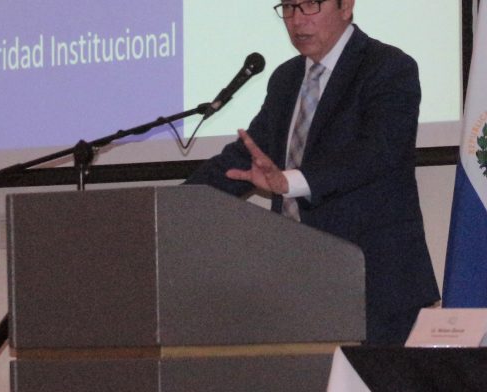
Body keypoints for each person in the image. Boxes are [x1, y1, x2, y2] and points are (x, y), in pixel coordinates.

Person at [185, 0, 440, 345]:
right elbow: (248, 156)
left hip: (374, 281)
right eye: (289, 8)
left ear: (346, 6)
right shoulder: (286, 78)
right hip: (296, 282)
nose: (297, 20)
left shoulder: (388, 66)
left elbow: (377, 151)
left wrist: (290, 181)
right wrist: (174, 203)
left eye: (310, 5)